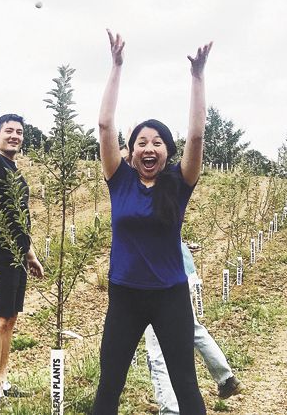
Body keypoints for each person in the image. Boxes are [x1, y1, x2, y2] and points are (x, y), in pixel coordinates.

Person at [94, 29, 213, 414]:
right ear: (130, 152)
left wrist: (197, 78)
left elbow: (196, 135)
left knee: (186, 386)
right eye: (141, 142)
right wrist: (116, 67)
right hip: (124, 296)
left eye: (157, 142)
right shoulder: (120, 179)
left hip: (170, 297)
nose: (148, 148)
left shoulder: (178, 183)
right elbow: (105, 126)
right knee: (109, 385)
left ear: (167, 151)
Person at [0, 100, 44, 405]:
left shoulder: (15, 171)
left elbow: (21, 218)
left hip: (17, 253)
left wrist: (30, 254)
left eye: (19, 132)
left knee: (11, 318)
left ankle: (2, 380)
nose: (15, 135)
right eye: (9, 131)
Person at [145, 242, 244, 414]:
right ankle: (226, 378)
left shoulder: (141, 217)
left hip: (157, 280)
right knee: (192, 328)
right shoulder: (168, 213)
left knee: (157, 348)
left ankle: (170, 410)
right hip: (183, 270)